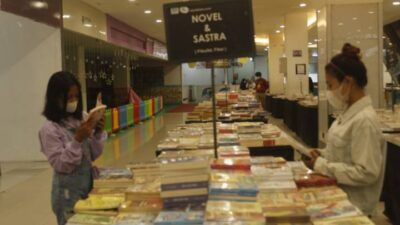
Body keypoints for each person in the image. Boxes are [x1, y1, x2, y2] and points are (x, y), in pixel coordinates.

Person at [303, 43, 385, 216]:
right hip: (338, 200)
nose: (329, 92)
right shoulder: (347, 114)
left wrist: (322, 166)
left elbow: (366, 172)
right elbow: (343, 153)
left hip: (354, 208)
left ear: (348, 82)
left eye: (331, 85)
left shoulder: (364, 120)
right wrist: (321, 154)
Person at [39, 71, 107, 225]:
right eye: (69, 97)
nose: (73, 101)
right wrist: (77, 139)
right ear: (55, 98)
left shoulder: (81, 118)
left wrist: (98, 133)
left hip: (87, 187)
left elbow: (92, 155)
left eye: (76, 96)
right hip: (67, 195)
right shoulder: (50, 129)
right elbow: (61, 164)